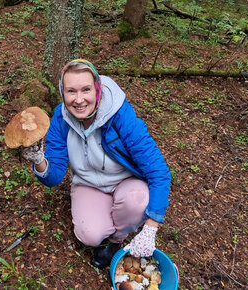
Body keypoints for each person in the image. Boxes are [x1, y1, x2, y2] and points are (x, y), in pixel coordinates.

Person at [22, 59, 171, 269]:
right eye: (71, 91)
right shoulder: (60, 118)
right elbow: (54, 177)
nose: (79, 99)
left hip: (125, 182)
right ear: (62, 92)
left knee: (138, 202)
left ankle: (116, 240)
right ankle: (108, 222)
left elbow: (158, 171)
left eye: (86, 89)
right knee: (89, 235)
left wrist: (151, 227)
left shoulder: (120, 115)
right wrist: (40, 161)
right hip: (87, 184)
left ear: (97, 89)